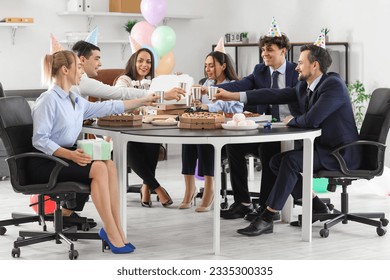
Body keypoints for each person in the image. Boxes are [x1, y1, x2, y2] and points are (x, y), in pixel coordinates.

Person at [215, 43, 361, 236]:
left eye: (300, 63)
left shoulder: (333, 85)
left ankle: (267, 217)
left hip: (341, 152)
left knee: (289, 161)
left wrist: (292, 120)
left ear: (315, 65)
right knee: (277, 161)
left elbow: (312, 120)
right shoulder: (303, 86)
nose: (296, 67)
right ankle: (316, 206)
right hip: (324, 149)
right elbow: (273, 94)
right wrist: (232, 95)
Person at [29, 50, 159, 252]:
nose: (82, 72)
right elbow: (40, 140)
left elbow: (109, 106)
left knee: (108, 163)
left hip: (65, 157)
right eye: (78, 67)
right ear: (65, 70)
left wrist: (143, 100)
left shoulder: (73, 99)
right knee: (98, 167)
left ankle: (117, 229)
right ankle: (110, 231)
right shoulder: (48, 100)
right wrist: (71, 155)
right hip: (47, 162)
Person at [217, 32, 300, 221]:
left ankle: (267, 207)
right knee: (234, 146)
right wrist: (214, 89)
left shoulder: (296, 72)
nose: (264, 54)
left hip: (293, 129)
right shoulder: (260, 70)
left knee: (268, 148)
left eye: (269, 50)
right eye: (263, 50)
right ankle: (242, 203)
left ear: (283, 51)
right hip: (269, 127)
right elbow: (241, 85)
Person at [114, 48, 185, 208]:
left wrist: (174, 82)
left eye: (148, 62)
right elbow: (120, 95)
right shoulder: (124, 80)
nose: (144, 65)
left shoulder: (153, 82)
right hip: (124, 130)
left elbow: (160, 102)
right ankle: (157, 188)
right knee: (130, 147)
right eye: (140, 60)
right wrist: (152, 95)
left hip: (144, 128)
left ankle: (146, 186)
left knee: (153, 142)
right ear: (133, 61)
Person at [180, 50, 241, 212]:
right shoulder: (206, 84)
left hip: (227, 133)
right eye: (206, 66)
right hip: (208, 127)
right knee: (188, 139)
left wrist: (208, 106)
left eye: (212, 66)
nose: (208, 69)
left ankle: (210, 188)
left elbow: (235, 106)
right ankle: (190, 188)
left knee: (204, 141)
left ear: (223, 66)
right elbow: (200, 107)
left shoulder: (233, 84)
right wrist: (195, 102)